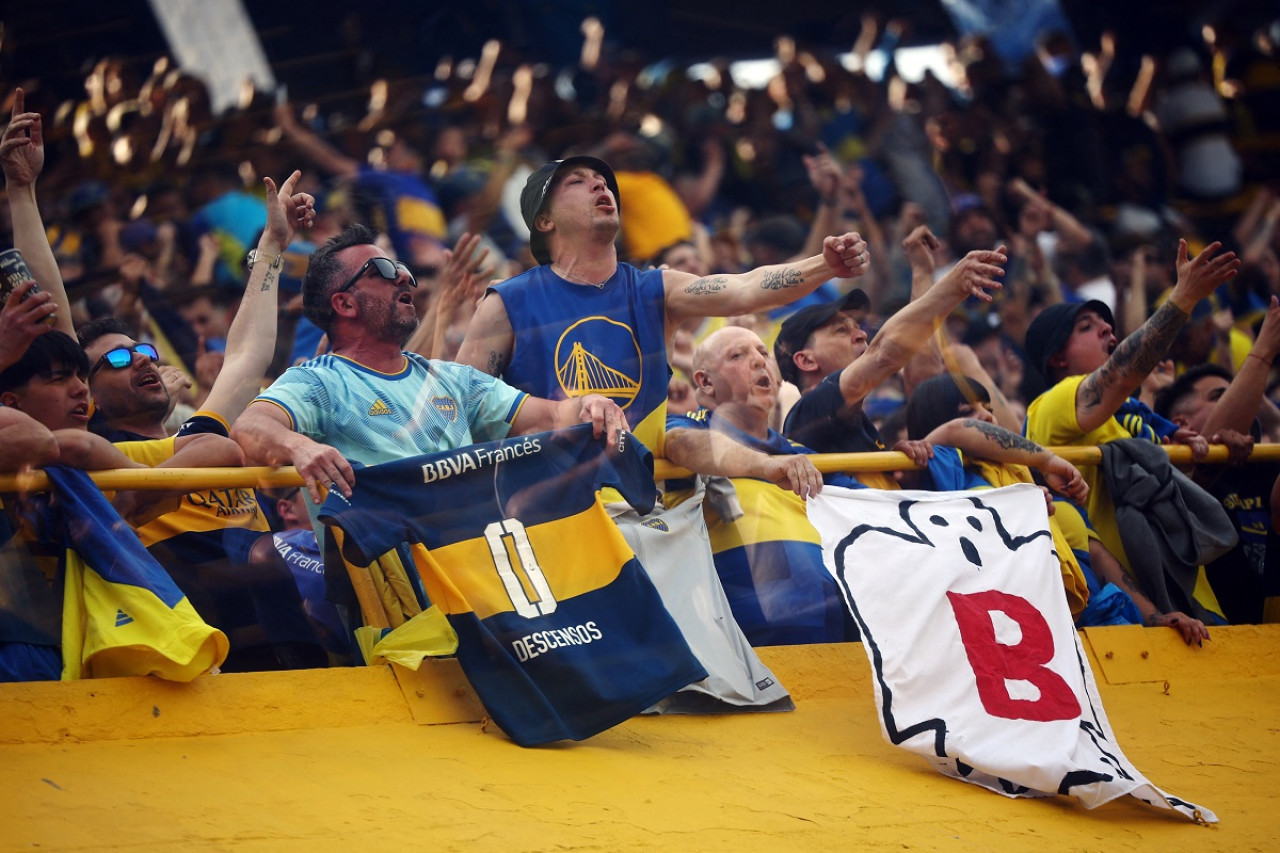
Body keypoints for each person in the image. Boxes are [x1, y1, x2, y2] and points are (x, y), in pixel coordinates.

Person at [453, 156, 871, 458]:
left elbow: (745, 287)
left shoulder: (656, 290)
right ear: (544, 221)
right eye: (577, 182)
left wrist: (825, 266)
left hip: (651, 509)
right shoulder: (507, 302)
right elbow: (462, 410)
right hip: (551, 517)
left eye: (603, 180)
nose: (601, 185)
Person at [230, 222, 626, 504]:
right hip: (402, 593)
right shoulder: (318, 383)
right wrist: (297, 445)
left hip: (484, 568)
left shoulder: (453, 380)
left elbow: (553, 417)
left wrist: (589, 404)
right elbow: (248, 427)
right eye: (384, 270)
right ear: (345, 303)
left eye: (403, 270)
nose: (405, 278)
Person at [1023, 239, 1241, 619]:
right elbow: (1122, 373)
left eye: (1106, 323)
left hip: (1192, 597)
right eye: (1087, 327)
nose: (1107, 328)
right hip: (1133, 614)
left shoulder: (1128, 418)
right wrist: (1182, 299)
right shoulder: (1051, 404)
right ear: (1057, 357)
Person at [777, 226, 1008, 487]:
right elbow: (883, 355)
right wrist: (954, 285)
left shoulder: (857, 426)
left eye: (859, 327)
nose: (861, 336)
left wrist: (922, 274)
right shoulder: (808, 412)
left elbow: (926, 386)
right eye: (842, 330)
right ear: (806, 361)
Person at [1154, 297, 1280, 623]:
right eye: (1219, 396)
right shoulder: (1170, 473)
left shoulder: (1265, 460)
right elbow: (1200, 470)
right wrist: (1263, 351)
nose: (1246, 401)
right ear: (1180, 423)